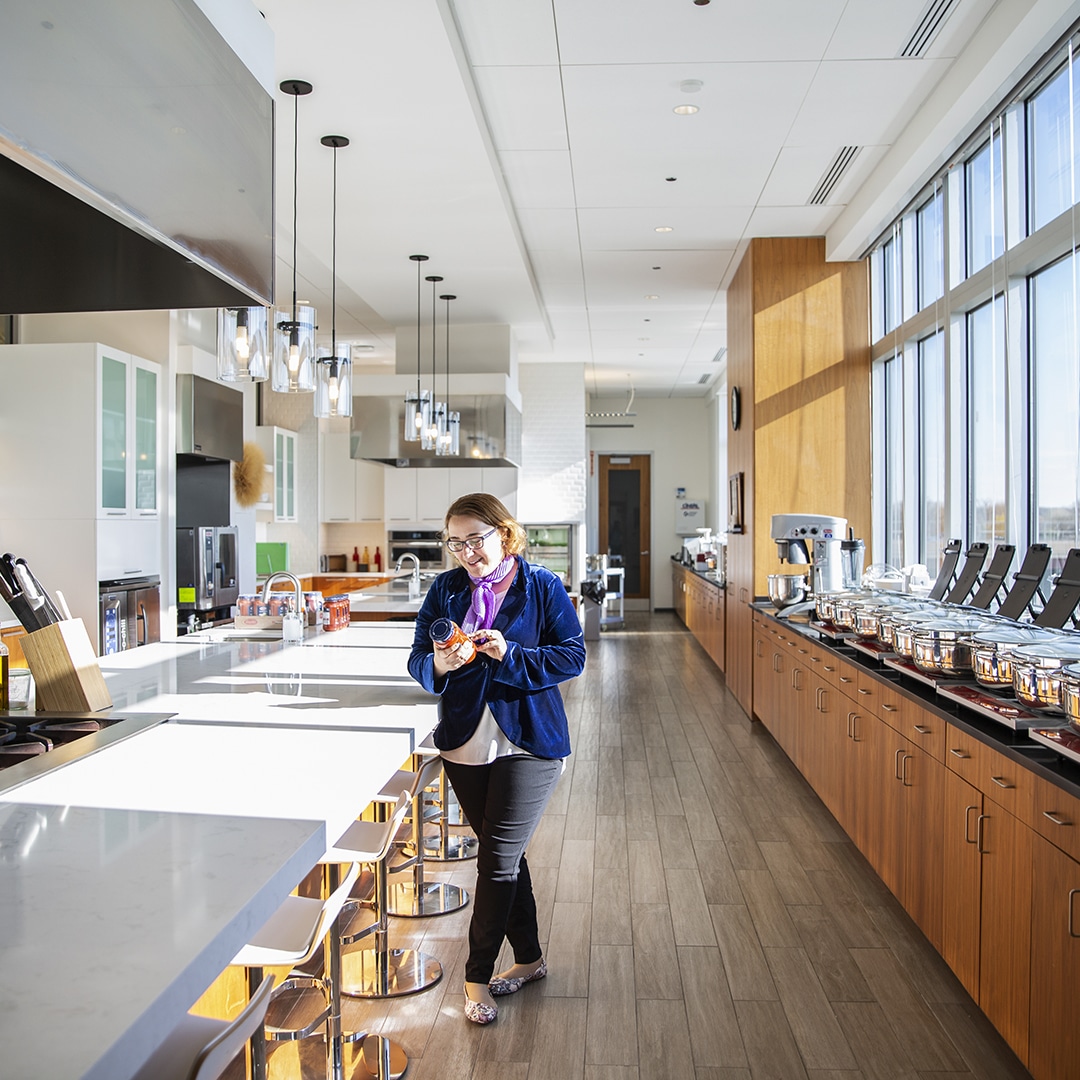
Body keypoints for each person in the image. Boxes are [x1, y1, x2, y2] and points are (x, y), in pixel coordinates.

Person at [407, 493, 586, 1024]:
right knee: (504, 854)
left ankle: (476, 977)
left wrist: (511, 654)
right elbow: (418, 657)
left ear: (503, 535)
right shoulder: (445, 589)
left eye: (475, 539)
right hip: (465, 740)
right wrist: (439, 663)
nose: (466, 551)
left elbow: (572, 655)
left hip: (529, 740)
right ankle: (529, 960)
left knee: (496, 860)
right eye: (455, 541)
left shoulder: (542, 586)